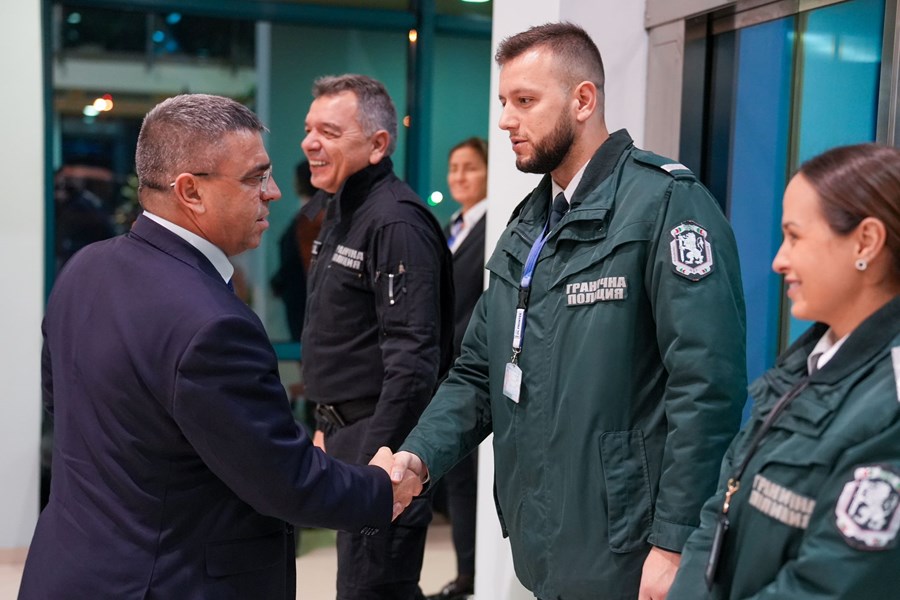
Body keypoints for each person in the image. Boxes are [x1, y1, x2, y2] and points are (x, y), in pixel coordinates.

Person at [391, 22, 747, 600]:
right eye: (504, 102)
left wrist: (675, 541)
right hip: (545, 543)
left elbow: (707, 387)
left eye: (525, 101)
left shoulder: (666, 204)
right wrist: (419, 455)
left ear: (583, 100)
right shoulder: (528, 223)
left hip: (631, 550)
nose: (506, 120)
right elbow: (479, 372)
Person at [19, 93, 420, 600]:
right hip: (169, 581)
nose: (273, 192)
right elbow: (284, 481)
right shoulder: (212, 323)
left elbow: (70, 409)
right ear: (191, 191)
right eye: (255, 178)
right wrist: (380, 488)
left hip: (71, 570)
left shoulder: (84, 270)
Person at [668, 143, 900, 599]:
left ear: (865, 242)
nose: (779, 261)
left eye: (795, 237)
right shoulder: (805, 364)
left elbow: (830, 584)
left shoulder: (888, 402)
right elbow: (720, 510)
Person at [300, 75, 454, 599]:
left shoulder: (395, 223)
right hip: (342, 435)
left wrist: (378, 466)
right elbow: (342, 337)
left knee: (374, 589)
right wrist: (323, 425)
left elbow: (414, 361)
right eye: (308, 129)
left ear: (377, 144)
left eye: (329, 131)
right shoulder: (341, 209)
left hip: (381, 448)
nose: (309, 143)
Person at [427, 137, 489, 600]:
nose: (459, 177)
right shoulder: (453, 226)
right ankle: (466, 570)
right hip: (443, 365)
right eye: (453, 168)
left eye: (469, 167)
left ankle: (473, 573)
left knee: (469, 478)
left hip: (470, 362)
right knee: (455, 478)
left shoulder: (494, 222)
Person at [270, 160, 326, 341]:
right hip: (301, 298)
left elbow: (310, 260)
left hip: (306, 301)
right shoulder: (312, 212)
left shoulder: (314, 216)